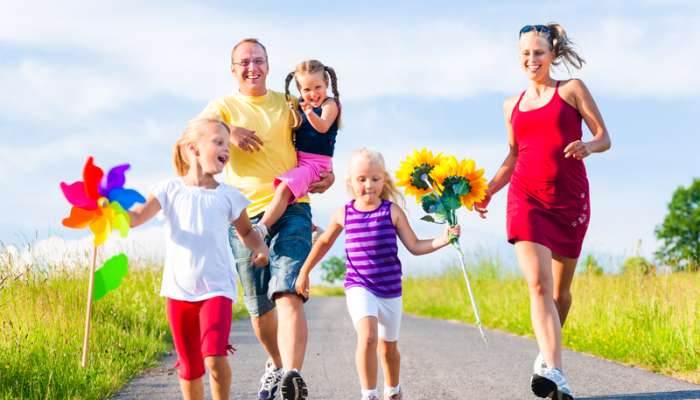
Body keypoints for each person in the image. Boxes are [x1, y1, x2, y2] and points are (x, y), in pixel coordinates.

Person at [474, 23, 611, 400]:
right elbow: (515, 155)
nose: (531, 59)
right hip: (526, 199)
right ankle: (556, 371)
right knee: (538, 285)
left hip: (569, 200)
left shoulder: (572, 90)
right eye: (524, 54)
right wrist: (486, 190)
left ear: (552, 54)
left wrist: (588, 146)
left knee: (560, 295)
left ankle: (546, 356)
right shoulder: (510, 105)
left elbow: (604, 136)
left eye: (538, 52)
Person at [198, 38, 334, 400]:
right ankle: (276, 362)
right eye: (244, 62)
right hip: (243, 219)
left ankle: (292, 376)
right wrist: (228, 132)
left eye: (258, 61)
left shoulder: (288, 102)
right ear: (232, 69)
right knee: (260, 311)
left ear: (269, 67)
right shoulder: (222, 107)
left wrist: (328, 176)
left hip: (293, 207)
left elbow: (318, 141)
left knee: (288, 290)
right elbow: (192, 140)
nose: (251, 67)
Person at [295, 148, 460, 400]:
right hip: (359, 285)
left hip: (391, 289)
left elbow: (415, 246)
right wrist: (304, 272)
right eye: (361, 179)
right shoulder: (344, 213)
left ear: (384, 180)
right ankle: (368, 393)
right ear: (350, 183)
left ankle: (393, 390)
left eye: (375, 178)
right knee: (368, 336)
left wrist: (444, 239)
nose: (369, 185)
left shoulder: (391, 212)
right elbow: (323, 243)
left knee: (388, 349)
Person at [128, 118, 270, 400]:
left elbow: (247, 232)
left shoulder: (229, 196)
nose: (226, 149)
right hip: (179, 292)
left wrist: (261, 248)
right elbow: (135, 218)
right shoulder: (168, 190)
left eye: (227, 144)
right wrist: (107, 212)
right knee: (190, 368)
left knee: (214, 358)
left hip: (217, 288)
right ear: (193, 148)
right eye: (218, 142)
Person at [252, 59, 340, 239]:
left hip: (316, 164)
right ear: (299, 91)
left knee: (285, 188)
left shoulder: (329, 105)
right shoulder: (299, 105)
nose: (313, 94)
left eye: (318, 87)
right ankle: (312, 228)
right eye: (306, 90)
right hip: (300, 160)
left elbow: (323, 127)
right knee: (286, 193)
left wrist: (308, 113)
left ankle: (261, 228)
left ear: (326, 84)